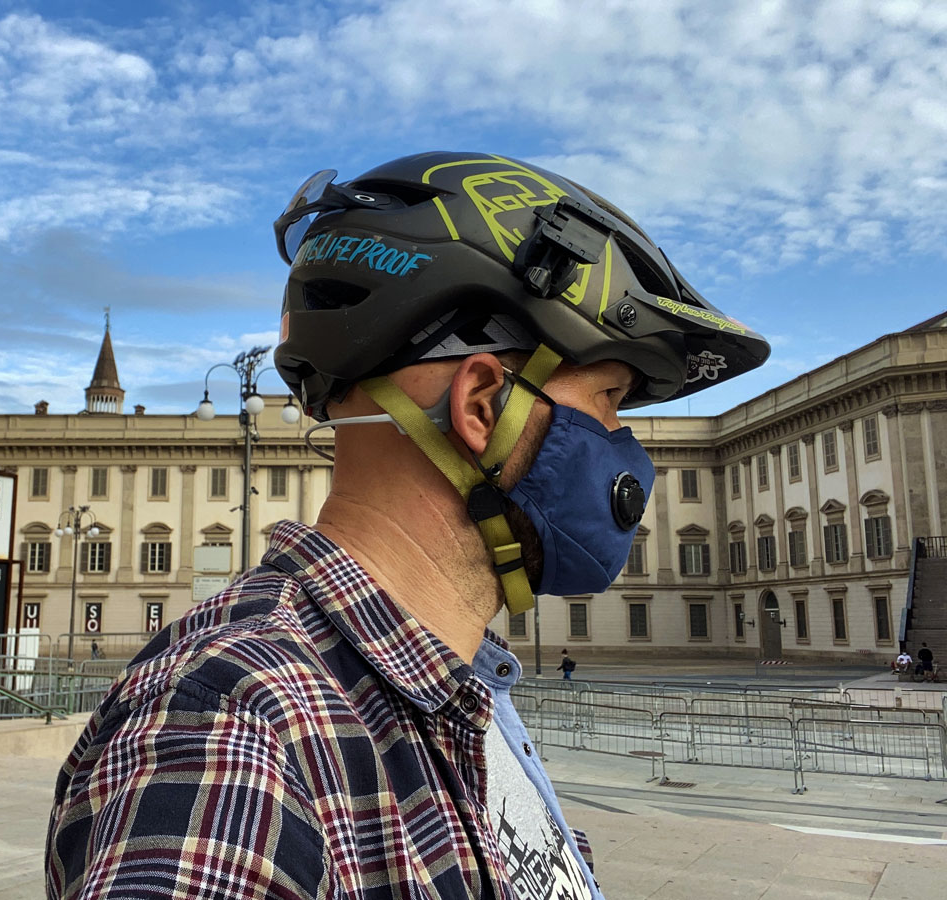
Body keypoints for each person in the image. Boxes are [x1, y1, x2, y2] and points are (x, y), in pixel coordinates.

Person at [45, 152, 770, 900]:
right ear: (482, 407)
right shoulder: (237, 729)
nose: (625, 442)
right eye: (611, 396)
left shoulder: (454, 693)